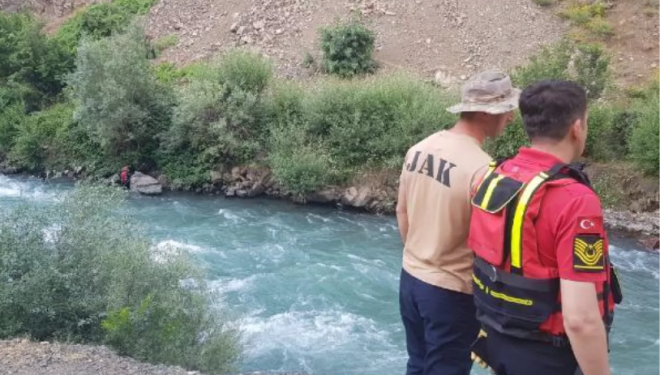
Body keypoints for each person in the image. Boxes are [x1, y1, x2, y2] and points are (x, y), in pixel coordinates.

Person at [467, 80, 623, 375]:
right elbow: (580, 319)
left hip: (500, 339)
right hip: (548, 355)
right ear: (577, 128)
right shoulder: (575, 200)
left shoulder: (494, 176)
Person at [396, 70, 520, 375]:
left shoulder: (420, 149)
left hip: (410, 279)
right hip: (451, 292)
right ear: (484, 114)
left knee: (418, 364)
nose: (511, 118)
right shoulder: (483, 170)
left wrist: (421, 256)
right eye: (506, 110)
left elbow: (402, 213)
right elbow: (490, 247)